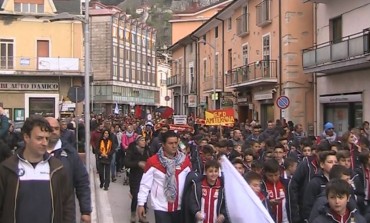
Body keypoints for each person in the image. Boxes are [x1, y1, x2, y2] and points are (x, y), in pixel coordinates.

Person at [0, 115, 74, 222]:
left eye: (47, 138)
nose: (44, 143)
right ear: (26, 137)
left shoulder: (57, 169)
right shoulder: (7, 168)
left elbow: (68, 205)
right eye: (39, 138)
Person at [137, 130, 191, 223]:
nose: (174, 146)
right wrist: (141, 203)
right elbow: (145, 185)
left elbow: (190, 183)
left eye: (175, 143)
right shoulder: (153, 161)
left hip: (180, 207)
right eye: (170, 143)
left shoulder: (185, 161)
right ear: (163, 144)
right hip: (161, 207)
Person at [45, 117, 92, 223]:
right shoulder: (34, 153)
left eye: (56, 128)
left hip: (64, 213)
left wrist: (85, 211)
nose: (54, 132)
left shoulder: (70, 153)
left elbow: (82, 182)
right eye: (50, 128)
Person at [125, 135, 150, 223]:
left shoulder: (148, 150)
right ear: (137, 142)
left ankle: (142, 215)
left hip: (145, 176)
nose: (144, 142)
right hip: (135, 176)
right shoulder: (131, 150)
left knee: (145, 195)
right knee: (135, 195)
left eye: (144, 140)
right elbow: (127, 163)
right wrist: (138, 163)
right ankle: (133, 213)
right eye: (142, 140)